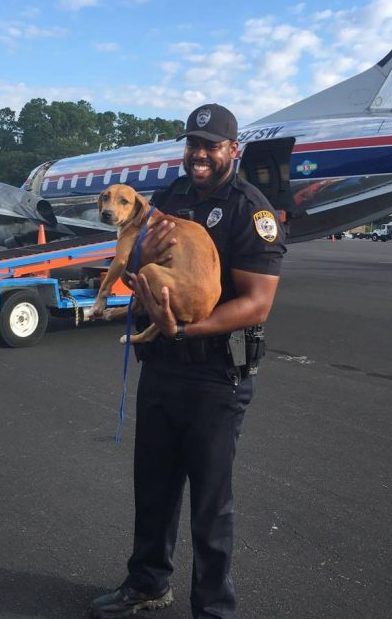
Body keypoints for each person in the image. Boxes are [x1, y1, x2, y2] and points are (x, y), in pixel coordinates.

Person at [89, 103, 286, 619]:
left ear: (232, 150)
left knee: (210, 505)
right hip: (163, 364)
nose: (199, 154)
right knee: (152, 487)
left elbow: (257, 302)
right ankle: (148, 584)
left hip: (215, 374)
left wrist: (189, 327)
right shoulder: (169, 197)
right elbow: (136, 260)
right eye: (193, 143)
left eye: (211, 145)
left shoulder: (251, 209)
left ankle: (213, 610)